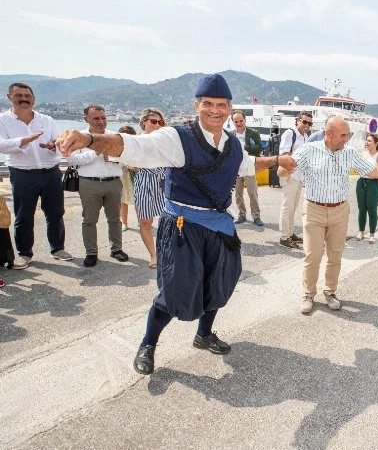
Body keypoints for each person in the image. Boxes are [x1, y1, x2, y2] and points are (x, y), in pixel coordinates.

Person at [56, 73, 295, 375]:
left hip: (219, 227)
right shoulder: (176, 137)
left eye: (221, 104)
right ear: (197, 105)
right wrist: (90, 139)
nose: (215, 110)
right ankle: (148, 344)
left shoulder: (233, 145)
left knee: (217, 286)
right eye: (207, 103)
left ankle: (204, 334)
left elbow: (247, 164)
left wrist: (277, 160)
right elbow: (134, 146)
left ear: (229, 107)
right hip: (183, 227)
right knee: (173, 293)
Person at [279, 116, 378, 314]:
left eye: (348, 135)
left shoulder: (349, 153)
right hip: (314, 210)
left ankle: (330, 292)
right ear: (328, 134)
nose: (347, 139)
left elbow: (374, 171)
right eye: (343, 135)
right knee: (313, 255)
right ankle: (308, 294)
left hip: (339, 211)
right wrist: (283, 166)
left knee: (335, 255)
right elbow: (284, 170)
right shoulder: (309, 150)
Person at [0, 82, 72, 269]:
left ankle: (57, 248)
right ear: (10, 97)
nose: (24, 99)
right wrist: (24, 140)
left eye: (27, 96)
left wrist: (53, 145)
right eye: (19, 95)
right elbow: (1, 144)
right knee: (24, 216)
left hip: (51, 172)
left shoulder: (46, 120)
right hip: (23, 174)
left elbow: (59, 142)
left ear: (33, 98)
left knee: (55, 213)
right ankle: (24, 254)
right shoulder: (3, 120)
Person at [65, 105, 128, 267]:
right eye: (96, 118)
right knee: (89, 220)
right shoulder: (79, 136)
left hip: (113, 182)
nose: (101, 122)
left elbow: (125, 159)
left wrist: (115, 157)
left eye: (103, 118)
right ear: (86, 119)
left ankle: (116, 249)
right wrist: (97, 150)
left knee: (115, 219)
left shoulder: (115, 136)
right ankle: (91, 252)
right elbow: (73, 160)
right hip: (89, 183)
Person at [133, 108, 168, 269]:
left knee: (168, 220)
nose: (157, 125)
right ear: (144, 123)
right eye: (153, 121)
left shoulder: (166, 140)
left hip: (164, 180)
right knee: (145, 222)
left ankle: (165, 252)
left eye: (160, 122)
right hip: (145, 180)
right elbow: (126, 160)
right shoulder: (136, 140)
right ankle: (153, 255)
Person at [278, 112, 310, 248]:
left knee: (293, 207)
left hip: (299, 176)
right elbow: (285, 154)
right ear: (298, 121)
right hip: (290, 174)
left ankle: (290, 234)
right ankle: (284, 237)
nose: (307, 125)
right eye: (304, 122)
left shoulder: (306, 136)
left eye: (310, 123)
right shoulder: (290, 133)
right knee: (287, 206)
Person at [229, 110, 264, 226]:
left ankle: (256, 217)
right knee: (238, 194)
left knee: (252, 193)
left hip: (249, 167)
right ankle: (242, 215)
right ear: (233, 122)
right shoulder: (230, 135)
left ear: (245, 120)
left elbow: (259, 148)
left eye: (241, 121)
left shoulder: (253, 133)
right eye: (236, 121)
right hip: (236, 168)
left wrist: (244, 147)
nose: (239, 123)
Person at [355, 133, 378, 243]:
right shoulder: (362, 154)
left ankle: (372, 234)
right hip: (361, 182)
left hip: (374, 183)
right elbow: (357, 168)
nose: (366, 142)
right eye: (366, 140)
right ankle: (361, 232)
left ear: (376, 143)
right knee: (361, 208)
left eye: (369, 141)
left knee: (372, 209)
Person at [118, 125, 137, 231]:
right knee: (123, 200)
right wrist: (127, 165)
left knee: (139, 200)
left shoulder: (136, 145)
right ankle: (124, 223)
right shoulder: (118, 146)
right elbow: (117, 159)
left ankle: (141, 221)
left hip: (136, 174)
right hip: (124, 175)